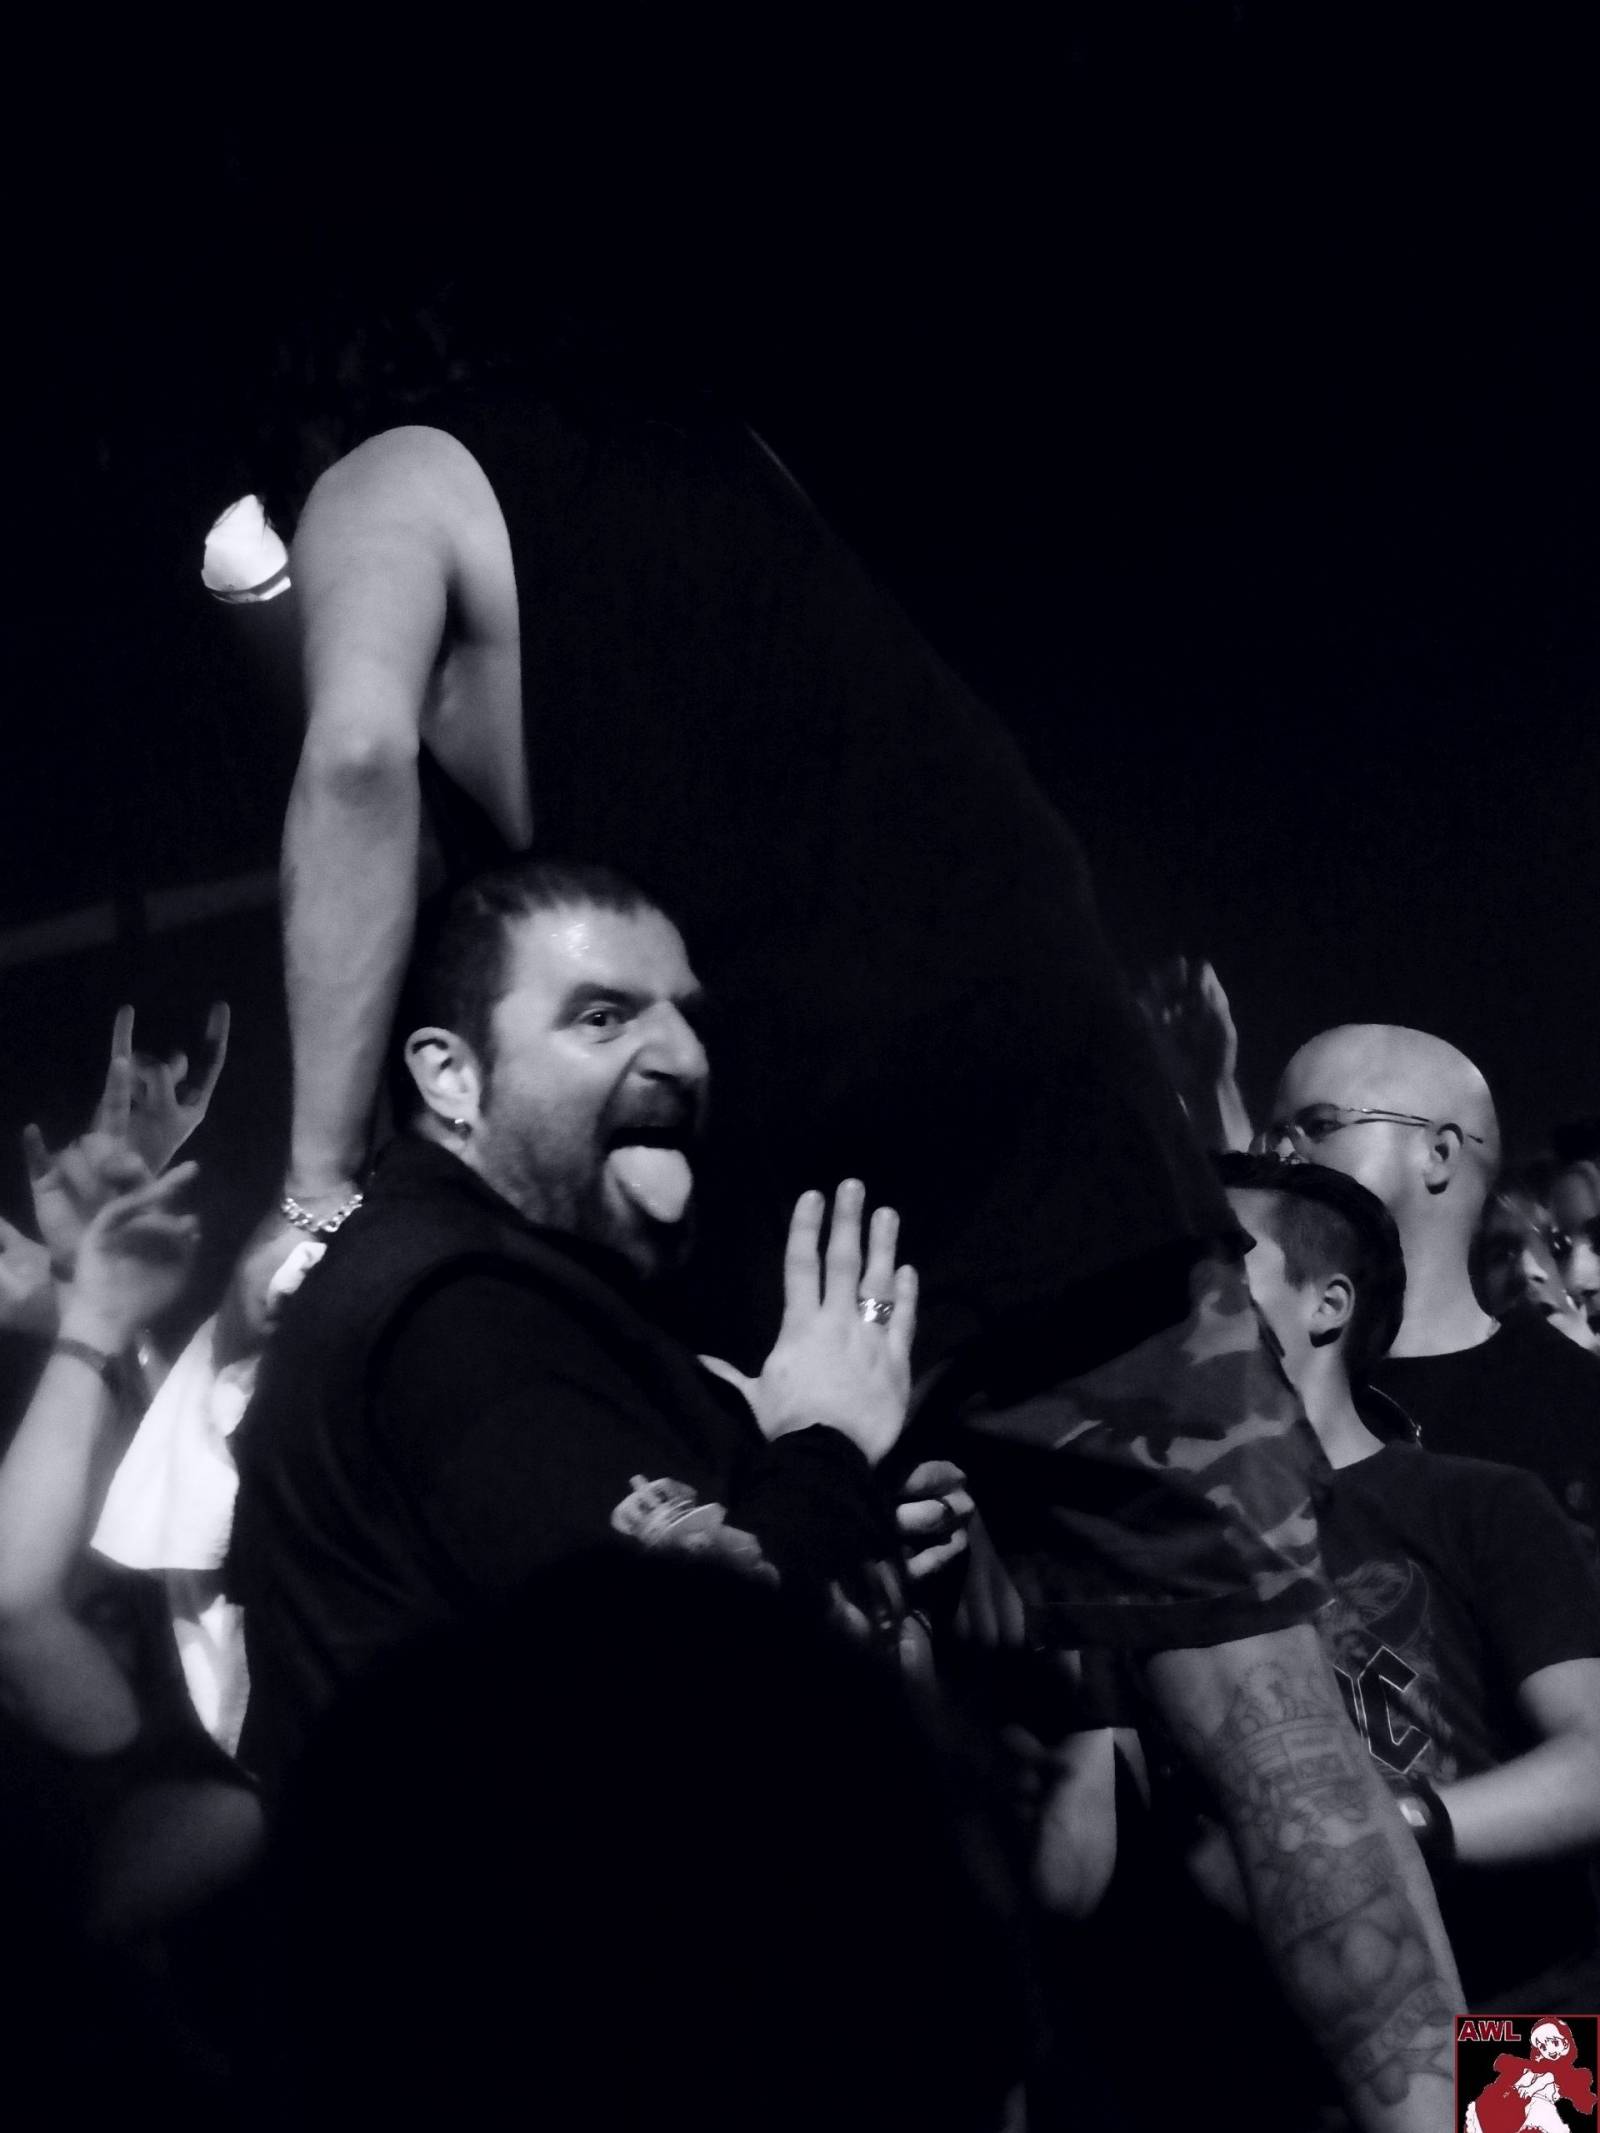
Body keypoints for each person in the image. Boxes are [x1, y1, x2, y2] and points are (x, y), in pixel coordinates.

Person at [258, 375, 1463, 2126]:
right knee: (1287, 1736)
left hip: (803, 1178)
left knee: (838, 1784)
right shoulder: (718, 451)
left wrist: (315, 1181)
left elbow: (357, 760)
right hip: (1065, 1114)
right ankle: (1533, 2120)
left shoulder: (383, 477)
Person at [229, 859, 925, 1795]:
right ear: (452, 1076)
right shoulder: (456, 1314)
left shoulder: (491, 1281)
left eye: (687, 1017)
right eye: (602, 1017)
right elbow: (680, 1686)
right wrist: (827, 1447)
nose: (685, 1057)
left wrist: (839, 1509)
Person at [1219, 1153, 1600, 2011]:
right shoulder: (1166, 1550)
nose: (1189, 1300)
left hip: (1522, 2009)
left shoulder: (1481, 1503)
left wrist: (1393, 1828)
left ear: (1329, 1303)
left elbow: (1594, 1763)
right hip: (1289, 2045)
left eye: (1223, 1263)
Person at [1261, 1023, 1600, 1558]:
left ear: (1439, 1152)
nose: (1281, 1154)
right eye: (1273, 1135)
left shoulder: (1577, 1404)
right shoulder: (1262, 1393)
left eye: (1319, 1125)